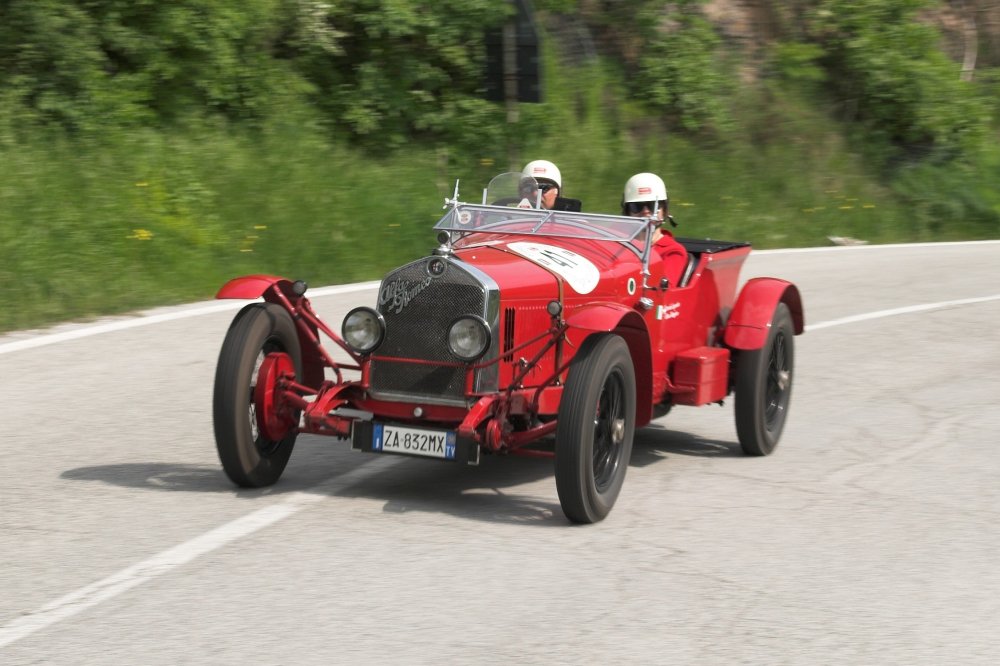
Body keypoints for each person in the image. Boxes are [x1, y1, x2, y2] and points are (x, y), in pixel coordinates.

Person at [622, 172, 688, 288]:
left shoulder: (673, 251)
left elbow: (660, 292)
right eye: (636, 206)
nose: (645, 211)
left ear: (664, 210)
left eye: (653, 206)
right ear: (628, 211)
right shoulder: (617, 241)